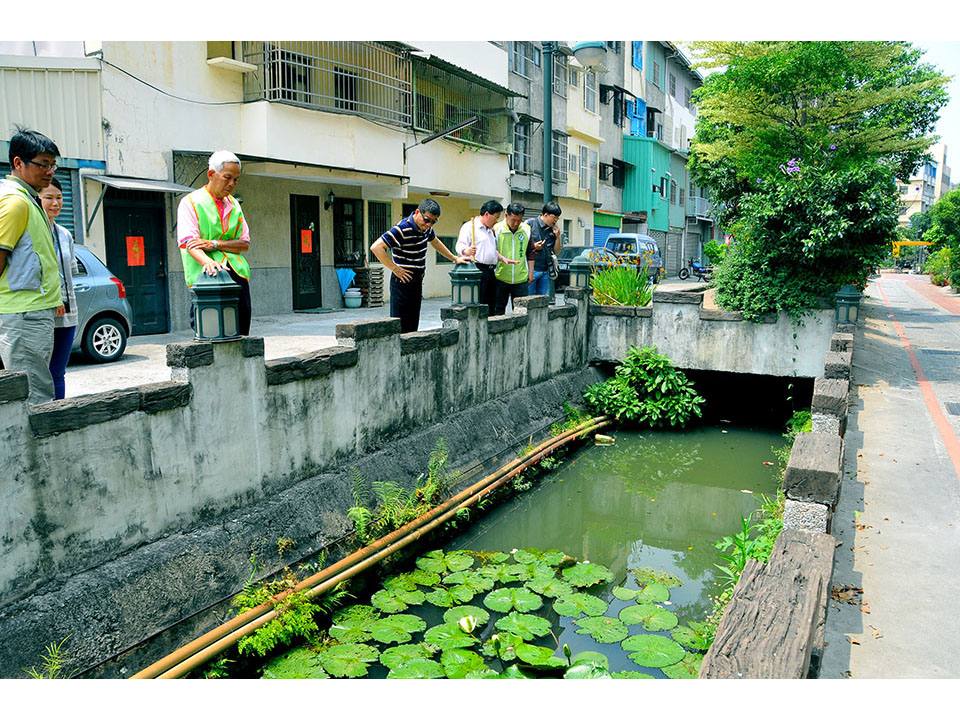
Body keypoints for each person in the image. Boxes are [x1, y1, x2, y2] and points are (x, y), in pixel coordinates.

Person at [0, 128, 63, 405]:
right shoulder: (15, 202)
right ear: (18, 163)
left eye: (53, 164)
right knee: (34, 397)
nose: (49, 172)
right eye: (43, 164)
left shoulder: (29, 199)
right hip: (23, 313)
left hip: (33, 310)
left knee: (37, 389)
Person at [177, 150, 252, 335]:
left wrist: (214, 244)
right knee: (210, 331)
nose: (232, 184)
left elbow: (244, 243)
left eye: (236, 180)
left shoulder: (234, 204)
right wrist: (208, 262)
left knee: (241, 330)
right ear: (211, 175)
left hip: (236, 274)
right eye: (227, 178)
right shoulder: (191, 202)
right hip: (207, 278)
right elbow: (189, 243)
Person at [370, 198, 467, 333]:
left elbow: (436, 242)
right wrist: (395, 268)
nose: (428, 224)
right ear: (417, 212)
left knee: (413, 323)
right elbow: (376, 247)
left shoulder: (426, 230)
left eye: (433, 222)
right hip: (402, 281)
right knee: (400, 325)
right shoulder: (402, 229)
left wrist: (454, 258)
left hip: (417, 280)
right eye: (426, 220)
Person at [39, 178, 79, 400]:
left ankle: (58, 414)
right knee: (40, 372)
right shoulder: (34, 232)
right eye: (49, 198)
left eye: (59, 198)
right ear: (38, 199)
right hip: (44, 309)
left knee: (58, 371)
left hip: (68, 310)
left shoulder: (65, 234)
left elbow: (70, 270)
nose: (55, 203)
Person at [456, 200, 518, 314]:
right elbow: (460, 245)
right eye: (495, 217)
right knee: (480, 304)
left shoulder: (490, 230)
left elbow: (491, 250)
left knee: (491, 304)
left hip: (490, 271)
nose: (496, 221)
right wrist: (467, 250)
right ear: (486, 214)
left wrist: (502, 258)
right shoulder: (470, 227)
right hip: (477, 269)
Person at [492, 203, 535, 316]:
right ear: (506, 215)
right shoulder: (496, 229)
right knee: (498, 310)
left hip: (521, 278)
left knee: (522, 312)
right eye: (513, 220)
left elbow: (531, 252)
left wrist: (531, 273)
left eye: (519, 220)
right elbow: (491, 250)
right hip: (500, 277)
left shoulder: (526, 229)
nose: (516, 223)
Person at [527, 201, 563, 301]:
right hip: (531, 270)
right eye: (554, 217)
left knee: (543, 302)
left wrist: (558, 237)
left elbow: (556, 251)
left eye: (557, 218)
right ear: (546, 214)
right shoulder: (530, 224)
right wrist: (534, 246)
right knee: (528, 301)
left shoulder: (553, 230)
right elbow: (520, 245)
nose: (555, 220)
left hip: (545, 271)